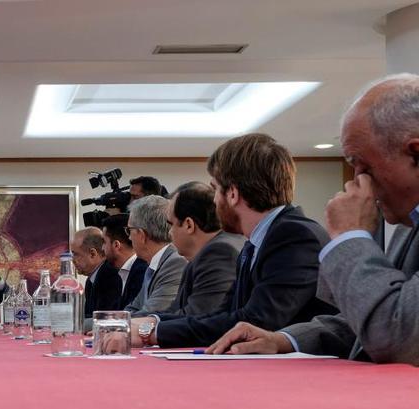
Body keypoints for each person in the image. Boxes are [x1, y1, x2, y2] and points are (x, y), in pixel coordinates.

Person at [208, 75, 419, 364]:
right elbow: (362, 320)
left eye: (362, 165)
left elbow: (396, 335)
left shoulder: (304, 232)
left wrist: (351, 238)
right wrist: (283, 339)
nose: (358, 181)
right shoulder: (406, 224)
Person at [120, 133, 336, 350]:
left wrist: (151, 333)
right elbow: (225, 314)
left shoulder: (293, 235)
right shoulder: (259, 240)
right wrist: (153, 323)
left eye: (215, 189)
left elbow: (255, 322)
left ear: (232, 193)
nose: (213, 200)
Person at [163, 182, 243, 316]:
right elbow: (174, 312)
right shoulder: (213, 250)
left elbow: (198, 318)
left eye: (171, 224)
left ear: (189, 225)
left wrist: (141, 328)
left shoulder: (219, 253)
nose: (170, 232)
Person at [124, 196, 188, 314]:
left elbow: (150, 315)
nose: (129, 237)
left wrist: (106, 325)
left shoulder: (175, 263)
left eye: (129, 230)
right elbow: (132, 309)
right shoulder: (154, 264)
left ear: (142, 234)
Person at [71, 227, 122, 318]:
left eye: (75, 254)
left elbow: (104, 319)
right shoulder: (91, 280)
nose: (72, 260)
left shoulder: (110, 277)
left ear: (92, 254)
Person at [101, 214, 148, 308]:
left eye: (104, 242)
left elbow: (132, 314)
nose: (102, 248)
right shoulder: (121, 272)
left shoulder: (142, 271)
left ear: (116, 245)